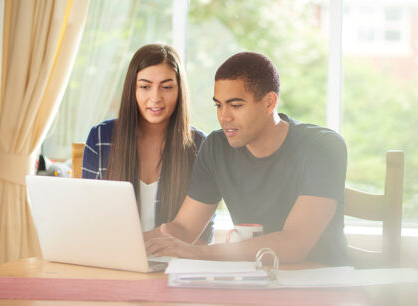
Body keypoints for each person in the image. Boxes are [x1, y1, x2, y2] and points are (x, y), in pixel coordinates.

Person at [145, 51, 348, 266]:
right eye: (219, 105)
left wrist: (200, 253)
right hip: (255, 280)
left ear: (269, 103)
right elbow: (184, 229)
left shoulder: (323, 147)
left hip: (319, 283)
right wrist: (128, 243)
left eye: (236, 105)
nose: (224, 117)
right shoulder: (217, 147)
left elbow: (294, 243)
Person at [82, 44, 212, 242]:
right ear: (132, 89)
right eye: (145, 86)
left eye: (167, 87)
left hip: (175, 265)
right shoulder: (101, 138)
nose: (155, 98)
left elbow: (203, 234)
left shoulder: (199, 145)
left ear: (180, 91)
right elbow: (88, 218)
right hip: (115, 261)